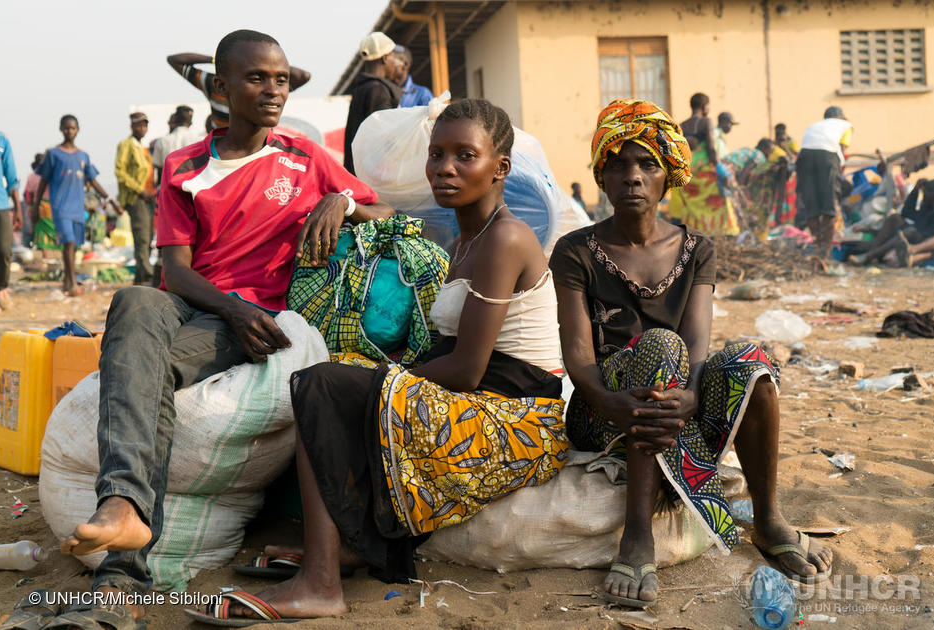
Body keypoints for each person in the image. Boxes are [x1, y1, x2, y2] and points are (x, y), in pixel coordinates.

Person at [50, 30, 394, 629]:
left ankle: (120, 561)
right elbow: (175, 272)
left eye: (282, 79)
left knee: (143, 379)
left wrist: (341, 202)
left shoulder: (302, 157)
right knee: (134, 299)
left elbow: (384, 210)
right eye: (258, 78)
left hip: (256, 319)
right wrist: (229, 307)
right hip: (198, 306)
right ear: (221, 88)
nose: (273, 91)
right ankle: (121, 507)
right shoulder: (184, 165)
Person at [185, 98, 568, 624]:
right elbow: (390, 223)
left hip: (515, 416)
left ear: (500, 167)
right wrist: (342, 203)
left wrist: (375, 379)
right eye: (436, 155)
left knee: (322, 385)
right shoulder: (460, 240)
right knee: (335, 377)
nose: (445, 168)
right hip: (484, 395)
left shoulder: (505, 239)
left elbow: (467, 370)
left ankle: (320, 582)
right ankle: (343, 550)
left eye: (465, 156)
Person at [550, 99, 833, 608]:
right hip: (604, 409)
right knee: (659, 345)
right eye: (618, 164)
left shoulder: (696, 248)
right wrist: (611, 402)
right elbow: (578, 358)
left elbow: (698, 345)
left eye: (647, 164)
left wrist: (691, 394)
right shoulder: (575, 250)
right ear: (601, 176)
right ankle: (638, 533)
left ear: (668, 177)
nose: (632, 176)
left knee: (753, 360)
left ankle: (768, 520)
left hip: (676, 401)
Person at [34, 115, 121, 296]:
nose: (69, 131)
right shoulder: (53, 154)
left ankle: (67, 280)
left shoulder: (83, 156)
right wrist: (35, 206)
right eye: (66, 128)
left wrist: (111, 199)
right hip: (60, 206)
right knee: (68, 242)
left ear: (78, 130)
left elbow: (93, 181)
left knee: (74, 246)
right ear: (61, 129)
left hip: (77, 207)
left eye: (73, 128)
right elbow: (43, 181)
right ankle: (73, 283)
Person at [167, 50, 311, 130]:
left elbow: (303, 76)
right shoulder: (213, 84)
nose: (273, 91)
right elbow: (175, 60)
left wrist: (266, 63)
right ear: (221, 85)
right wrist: (215, 59)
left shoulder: (266, 88)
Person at [669, 93, 739, 235]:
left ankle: (697, 236)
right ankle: (722, 236)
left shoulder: (682, 125)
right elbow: (711, 149)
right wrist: (720, 169)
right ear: (704, 106)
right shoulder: (706, 121)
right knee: (721, 205)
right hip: (707, 174)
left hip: (689, 174)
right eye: (708, 105)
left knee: (693, 208)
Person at [796, 106, 852, 259]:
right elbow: (841, 148)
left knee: (812, 206)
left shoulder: (814, 126)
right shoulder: (845, 125)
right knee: (829, 206)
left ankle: (816, 248)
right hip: (827, 157)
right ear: (840, 117)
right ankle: (826, 253)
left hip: (804, 157)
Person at [343, 31, 403, 174]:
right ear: (385, 58)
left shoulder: (361, 88)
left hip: (357, 171)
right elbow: (381, 141)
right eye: (393, 55)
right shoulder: (378, 90)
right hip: (373, 176)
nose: (395, 61)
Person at [852, 178, 934, 267]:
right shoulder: (928, 206)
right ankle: (872, 252)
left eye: (927, 192)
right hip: (915, 232)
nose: (924, 194)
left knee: (910, 231)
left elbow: (932, 233)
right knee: (894, 218)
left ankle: (870, 256)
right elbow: (907, 213)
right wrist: (915, 190)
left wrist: (914, 232)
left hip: (926, 241)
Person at [115, 112, 158, 285]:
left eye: (144, 125)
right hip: (137, 198)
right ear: (132, 127)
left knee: (147, 238)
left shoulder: (143, 146)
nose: (142, 129)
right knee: (142, 238)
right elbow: (120, 172)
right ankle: (147, 276)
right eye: (139, 125)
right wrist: (140, 190)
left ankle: (140, 278)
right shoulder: (126, 145)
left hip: (149, 197)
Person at [0, 129, 21, 311]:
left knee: (4, 250)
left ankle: (1, 286)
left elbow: (11, 176)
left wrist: (18, 208)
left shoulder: (2, 141)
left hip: (1, 205)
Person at [152, 106, 201, 185]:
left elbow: (158, 169)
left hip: (169, 189)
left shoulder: (162, 141)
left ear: (175, 120)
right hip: (191, 189)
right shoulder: (199, 141)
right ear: (191, 122)